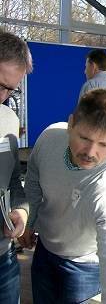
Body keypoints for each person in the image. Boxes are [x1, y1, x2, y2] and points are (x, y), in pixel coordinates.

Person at [20, 89, 106, 303]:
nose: (90, 152)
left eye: (104, 145)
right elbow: (33, 175)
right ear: (70, 124)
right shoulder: (50, 137)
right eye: (84, 138)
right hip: (44, 250)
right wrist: (30, 218)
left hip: (85, 265)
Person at [0, 30, 32, 304]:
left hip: (4, 260)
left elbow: (11, 182)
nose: (3, 96)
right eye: (0, 85)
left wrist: (21, 212)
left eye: (11, 89)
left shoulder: (8, 120)